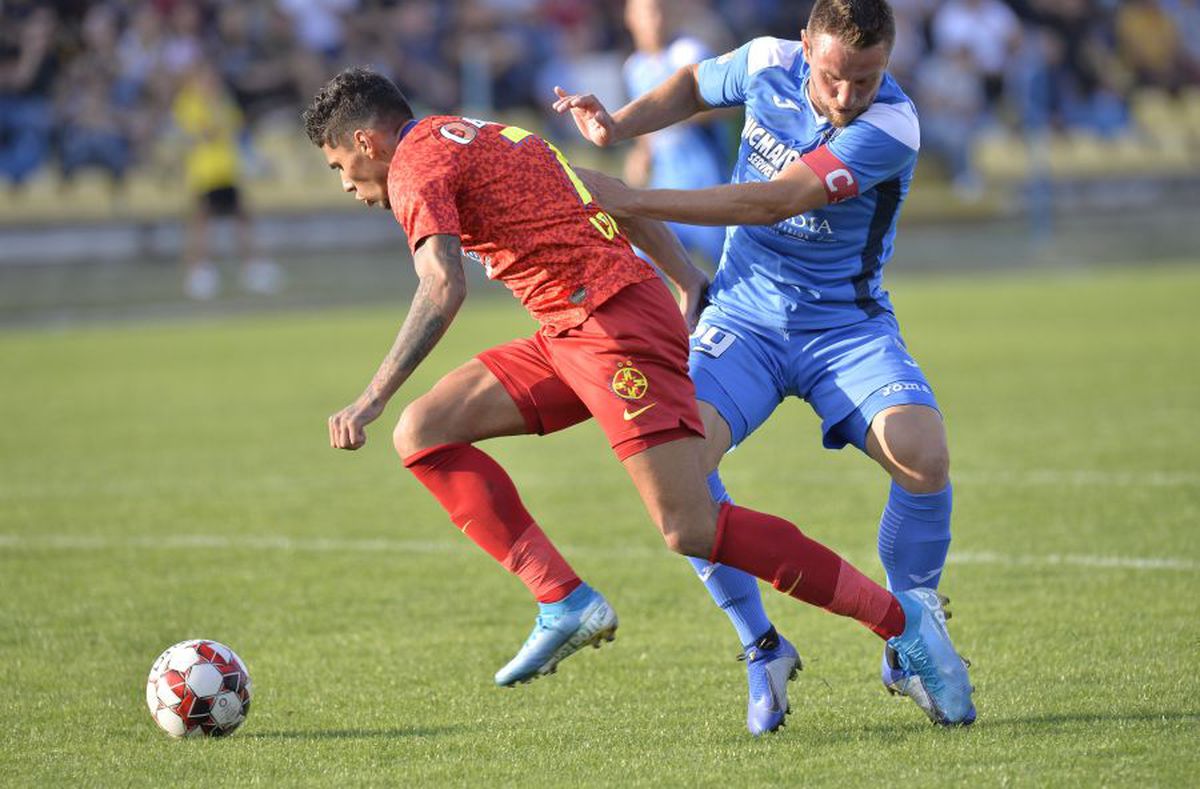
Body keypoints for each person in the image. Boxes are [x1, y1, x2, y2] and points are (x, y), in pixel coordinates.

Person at [302, 66, 974, 728]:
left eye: (336, 166)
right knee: (425, 431)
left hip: (610, 326)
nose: (346, 185)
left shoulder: (411, 168)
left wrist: (371, 395)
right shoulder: (476, 132)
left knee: (689, 524)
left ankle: (901, 622)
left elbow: (442, 286)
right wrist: (686, 279)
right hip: (573, 325)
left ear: (367, 142)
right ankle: (564, 600)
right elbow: (605, 191)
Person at [553, 0, 975, 733]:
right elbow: (692, 84)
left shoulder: (893, 127)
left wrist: (632, 197)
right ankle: (761, 644)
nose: (849, 98)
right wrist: (619, 125)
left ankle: (914, 627)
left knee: (923, 453)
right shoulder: (764, 61)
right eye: (837, 77)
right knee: (677, 475)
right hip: (742, 319)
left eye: (868, 81)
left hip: (843, 325)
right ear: (807, 46)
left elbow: (771, 200)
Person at [622, 0, 729, 267]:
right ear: (630, 18)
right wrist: (642, 153)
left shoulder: (688, 53)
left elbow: (728, 106)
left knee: (733, 270)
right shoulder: (634, 68)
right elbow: (643, 124)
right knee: (641, 262)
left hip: (707, 187)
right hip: (664, 188)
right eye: (647, 13)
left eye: (660, 11)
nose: (655, 20)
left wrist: (678, 112)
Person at [173, 59, 281, 300]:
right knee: (201, 222)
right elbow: (204, 132)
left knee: (242, 218)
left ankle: (253, 268)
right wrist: (217, 122)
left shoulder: (222, 102)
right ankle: (199, 272)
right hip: (204, 172)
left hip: (227, 169)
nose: (210, 82)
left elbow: (236, 125)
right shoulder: (189, 102)